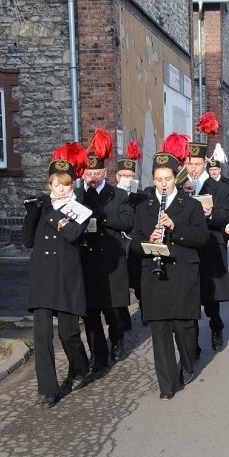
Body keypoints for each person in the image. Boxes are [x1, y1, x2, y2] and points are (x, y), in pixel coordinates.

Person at [131, 134, 209, 400]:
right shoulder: (144, 206)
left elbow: (202, 238)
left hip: (183, 274)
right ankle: (166, 385)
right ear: (153, 180)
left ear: (176, 177)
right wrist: (147, 240)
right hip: (155, 276)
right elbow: (133, 242)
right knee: (160, 331)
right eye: (158, 179)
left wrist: (176, 228)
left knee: (184, 328)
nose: (163, 184)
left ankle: (189, 361)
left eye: (168, 179)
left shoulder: (190, 205)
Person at [21, 145, 92, 408]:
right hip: (42, 278)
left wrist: (52, 215)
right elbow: (27, 242)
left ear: (72, 184)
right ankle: (48, 389)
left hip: (67, 279)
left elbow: (74, 234)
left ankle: (80, 368)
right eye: (56, 184)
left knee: (68, 334)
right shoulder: (41, 207)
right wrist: (31, 214)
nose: (61, 189)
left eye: (66, 184)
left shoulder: (79, 208)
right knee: (41, 335)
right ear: (48, 184)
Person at [77, 129, 135, 371]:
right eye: (88, 173)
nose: (92, 177)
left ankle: (117, 340)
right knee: (90, 314)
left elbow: (127, 222)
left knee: (114, 311)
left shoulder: (118, 195)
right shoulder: (79, 196)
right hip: (88, 261)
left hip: (112, 259)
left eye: (96, 173)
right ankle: (97, 354)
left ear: (104, 172)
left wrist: (103, 216)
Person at [186, 133, 229, 353]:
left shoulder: (220, 188)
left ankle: (216, 326)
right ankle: (192, 340)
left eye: (197, 163)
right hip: (187, 247)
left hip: (211, 245)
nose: (193, 168)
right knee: (190, 296)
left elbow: (228, 214)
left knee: (210, 296)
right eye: (189, 163)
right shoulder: (180, 187)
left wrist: (210, 213)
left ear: (204, 163)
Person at [115, 140, 149, 314]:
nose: (127, 179)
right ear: (117, 177)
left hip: (135, 241)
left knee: (138, 280)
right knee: (120, 282)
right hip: (118, 243)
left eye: (130, 176)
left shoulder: (142, 197)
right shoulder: (112, 195)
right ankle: (123, 318)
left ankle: (145, 310)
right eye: (123, 176)